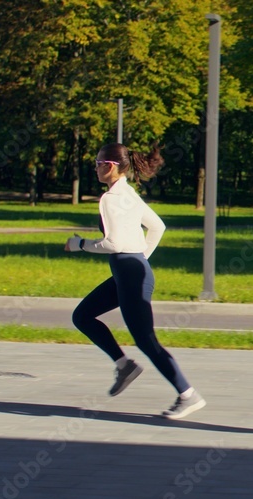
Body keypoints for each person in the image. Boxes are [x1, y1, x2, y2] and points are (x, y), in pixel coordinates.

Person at [64, 143, 205, 420]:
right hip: (130, 272)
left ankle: (188, 394)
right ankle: (124, 365)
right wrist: (141, 258)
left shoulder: (110, 199)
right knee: (82, 316)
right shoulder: (128, 193)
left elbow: (113, 243)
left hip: (130, 274)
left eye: (98, 163)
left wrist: (79, 244)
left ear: (111, 166)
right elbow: (157, 227)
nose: (95, 167)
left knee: (145, 340)